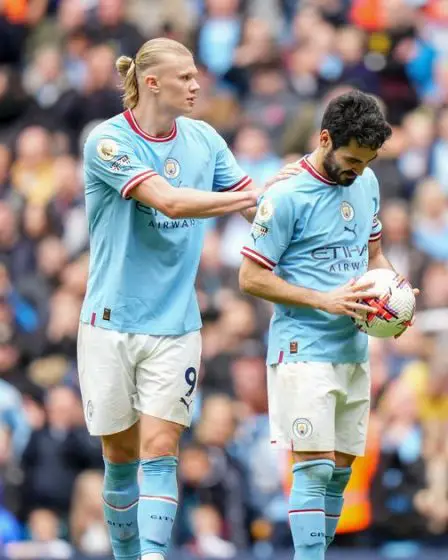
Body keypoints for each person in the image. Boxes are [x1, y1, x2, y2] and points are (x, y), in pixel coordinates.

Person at [78, 37, 262, 560]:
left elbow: (259, 212)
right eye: (186, 77)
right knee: (119, 458)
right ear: (152, 82)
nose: (197, 85)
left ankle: (154, 556)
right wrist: (246, 199)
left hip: (176, 325)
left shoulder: (205, 139)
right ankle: (128, 554)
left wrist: (299, 200)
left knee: (161, 449)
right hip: (109, 323)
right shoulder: (107, 141)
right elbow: (170, 201)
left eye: (197, 75)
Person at [238, 90, 419, 560]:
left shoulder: (368, 183)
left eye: (367, 160)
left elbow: (374, 255)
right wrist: (327, 301)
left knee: (340, 472)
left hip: (353, 349)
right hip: (301, 348)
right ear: (324, 138)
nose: (358, 169)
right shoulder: (285, 195)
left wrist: (396, 295)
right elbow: (251, 276)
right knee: (313, 469)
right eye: (352, 159)